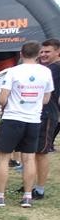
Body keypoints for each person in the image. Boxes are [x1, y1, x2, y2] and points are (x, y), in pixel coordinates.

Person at [0, 41, 53, 208]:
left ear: (21, 54)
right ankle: (27, 196)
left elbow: (2, 98)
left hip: (12, 118)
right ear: (38, 54)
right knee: (28, 158)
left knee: (3, 158)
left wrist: (7, 105)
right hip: (33, 120)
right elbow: (46, 99)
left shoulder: (13, 71)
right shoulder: (46, 72)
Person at [32, 38, 60, 200]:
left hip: (47, 114)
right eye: (41, 51)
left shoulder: (55, 69)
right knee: (33, 152)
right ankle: (30, 183)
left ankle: (40, 189)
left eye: (47, 51)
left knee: (41, 152)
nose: (43, 54)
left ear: (58, 52)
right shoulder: (46, 69)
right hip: (37, 113)